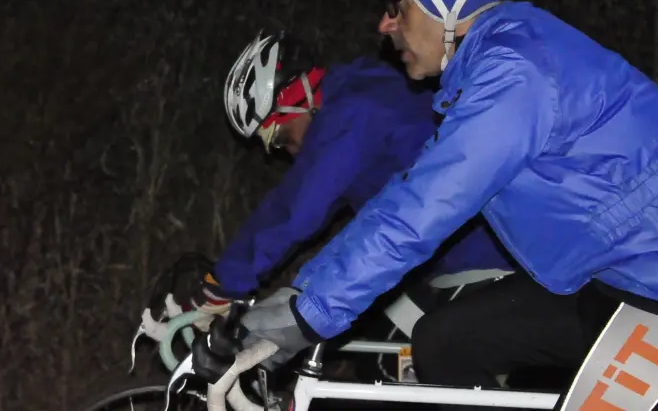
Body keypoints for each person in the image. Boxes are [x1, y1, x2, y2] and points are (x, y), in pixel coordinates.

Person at [192, 0, 658, 410]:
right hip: (619, 277)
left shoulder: (516, 71)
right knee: (444, 342)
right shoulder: (486, 74)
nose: (386, 24)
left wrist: (303, 315)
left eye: (397, 4)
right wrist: (303, 295)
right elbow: (405, 196)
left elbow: (420, 214)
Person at [168, 28, 513, 332]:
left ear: (298, 103)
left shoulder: (355, 112)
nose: (286, 153)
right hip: (449, 257)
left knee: (391, 356)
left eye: (280, 138)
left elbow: (297, 209)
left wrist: (223, 284)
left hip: (482, 257)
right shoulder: (361, 92)